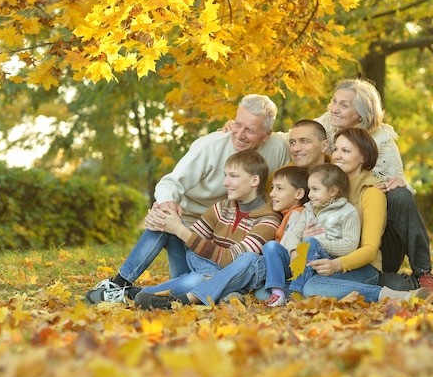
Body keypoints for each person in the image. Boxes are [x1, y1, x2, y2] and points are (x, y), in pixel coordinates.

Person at [85, 95, 290, 304]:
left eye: (250, 130)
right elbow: (170, 184)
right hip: (194, 226)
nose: (239, 134)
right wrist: (166, 208)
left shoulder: (280, 148)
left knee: (201, 277)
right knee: (168, 218)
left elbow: (312, 135)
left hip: (221, 245)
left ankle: (143, 295)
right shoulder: (209, 147)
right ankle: (119, 284)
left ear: (267, 134)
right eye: (238, 124)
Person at [315, 78, 433, 293]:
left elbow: (398, 188)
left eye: (344, 105)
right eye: (334, 102)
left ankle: (424, 272)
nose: (335, 109)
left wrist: (397, 184)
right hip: (341, 239)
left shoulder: (383, 143)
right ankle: (409, 284)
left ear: (360, 113)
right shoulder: (326, 124)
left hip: (378, 243)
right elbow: (296, 139)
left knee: (400, 195)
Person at [292, 127, 429, 302]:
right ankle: (394, 286)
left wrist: (336, 265)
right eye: (336, 149)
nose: (337, 156)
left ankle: (395, 294)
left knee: (312, 287)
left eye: (346, 151)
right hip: (326, 260)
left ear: (363, 157)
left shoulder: (372, 192)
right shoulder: (330, 188)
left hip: (361, 266)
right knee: (303, 284)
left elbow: (370, 250)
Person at [132, 150, 281, 310]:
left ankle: (144, 295)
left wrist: (179, 229)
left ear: (254, 180)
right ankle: (121, 281)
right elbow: (192, 240)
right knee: (168, 216)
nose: (225, 182)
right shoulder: (222, 207)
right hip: (202, 269)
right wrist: (166, 222)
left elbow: (230, 259)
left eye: (233, 176)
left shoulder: (268, 219)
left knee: (246, 260)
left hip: (230, 275)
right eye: (225, 175)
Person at [265, 163, 360, 306]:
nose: (309, 195)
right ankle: (277, 292)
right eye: (310, 189)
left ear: (333, 191)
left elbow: (350, 245)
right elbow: (294, 236)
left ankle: (296, 293)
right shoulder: (308, 209)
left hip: (324, 263)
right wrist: (293, 251)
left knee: (310, 241)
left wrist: (317, 243)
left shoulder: (348, 212)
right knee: (271, 246)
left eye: (315, 189)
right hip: (299, 262)